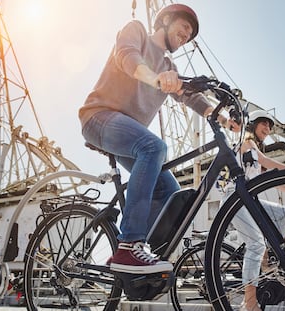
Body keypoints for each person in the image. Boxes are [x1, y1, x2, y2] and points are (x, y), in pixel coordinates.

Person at [78, 4, 239, 274]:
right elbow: (127, 58)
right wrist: (155, 79)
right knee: (155, 147)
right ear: (164, 20)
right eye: (184, 27)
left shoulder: (169, 66)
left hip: (128, 133)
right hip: (98, 117)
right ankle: (129, 244)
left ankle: (131, 255)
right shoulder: (137, 31)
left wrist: (222, 117)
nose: (187, 35)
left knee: (171, 192)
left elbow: (192, 97)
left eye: (191, 33)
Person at [222, 110, 285, 311]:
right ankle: (249, 303)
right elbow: (271, 165)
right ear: (253, 125)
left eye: (270, 126)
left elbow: (277, 182)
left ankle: (267, 258)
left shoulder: (255, 155)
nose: (267, 129)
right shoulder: (247, 143)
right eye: (264, 124)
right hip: (235, 198)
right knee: (256, 243)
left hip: (251, 200)